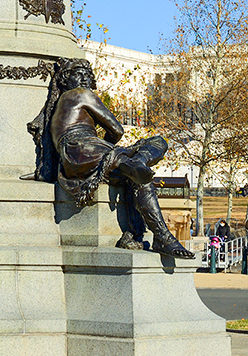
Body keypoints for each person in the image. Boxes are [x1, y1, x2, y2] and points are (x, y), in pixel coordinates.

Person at [25, 58, 194, 258]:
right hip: (84, 147)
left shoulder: (59, 105)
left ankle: (135, 164)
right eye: (79, 74)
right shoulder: (80, 94)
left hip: (74, 158)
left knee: (139, 164)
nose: (85, 79)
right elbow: (116, 129)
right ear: (65, 80)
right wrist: (110, 147)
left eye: (88, 75)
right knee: (158, 143)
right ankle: (162, 236)